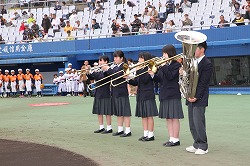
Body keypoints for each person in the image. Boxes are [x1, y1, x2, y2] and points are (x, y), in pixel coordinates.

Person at [150, 45, 184, 147]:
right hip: (164, 93)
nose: (163, 55)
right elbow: (160, 79)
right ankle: (171, 138)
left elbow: (170, 77)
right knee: (168, 118)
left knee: (174, 117)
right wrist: (152, 75)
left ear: (169, 53)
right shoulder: (163, 66)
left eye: (164, 53)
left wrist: (164, 66)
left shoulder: (176, 65)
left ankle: (176, 139)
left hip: (173, 94)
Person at [185, 41, 213, 155]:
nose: (193, 51)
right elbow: (188, 81)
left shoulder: (207, 64)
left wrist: (196, 96)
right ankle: (196, 143)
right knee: (192, 122)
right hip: (190, 97)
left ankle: (203, 145)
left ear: (202, 50)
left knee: (198, 121)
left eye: (195, 49)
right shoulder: (192, 62)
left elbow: (203, 83)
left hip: (199, 98)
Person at [128, 52, 158, 141]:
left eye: (141, 58)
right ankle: (145, 133)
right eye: (139, 58)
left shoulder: (150, 67)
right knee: (143, 115)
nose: (139, 60)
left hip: (148, 94)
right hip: (141, 94)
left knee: (149, 115)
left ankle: (151, 134)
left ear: (146, 59)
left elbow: (145, 80)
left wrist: (138, 69)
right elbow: (136, 82)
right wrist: (128, 79)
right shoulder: (140, 69)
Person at [102, 50, 132, 137]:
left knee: (125, 112)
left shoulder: (124, 66)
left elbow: (118, 75)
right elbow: (109, 76)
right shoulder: (115, 66)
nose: (114, 59)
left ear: (121, 58)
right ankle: (120, 129)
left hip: (122, 91)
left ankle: (128, 130)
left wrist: (108, 69)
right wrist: (104, 70)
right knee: (118, 112)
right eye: (114, 57)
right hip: (115, 91)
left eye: (116, 57)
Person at [89, 55, 113, 134]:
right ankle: (101, 127)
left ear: (106, 62)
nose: (100, 62)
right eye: (99, 61)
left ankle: (109, 127)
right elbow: (91, 77)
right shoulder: (98, 71)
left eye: (101, 61)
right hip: (98, 92)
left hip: (105, 92)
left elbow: (103, 78)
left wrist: (96, 72)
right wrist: (87, 72)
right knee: (99, 111)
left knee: (107, 111)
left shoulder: (108, 70)